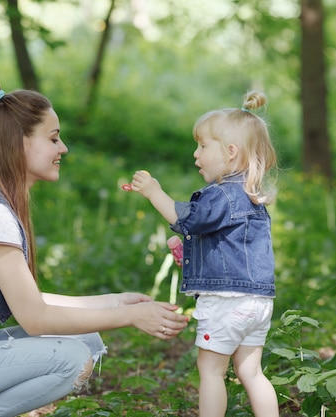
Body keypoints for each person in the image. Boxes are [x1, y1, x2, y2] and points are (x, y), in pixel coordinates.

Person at [0, 79, 189, 417]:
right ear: (20, 142)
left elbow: (31, 302)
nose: (64, 148)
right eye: (54, 138)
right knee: (71, 358)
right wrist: (130, 317)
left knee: (87, 340)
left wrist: (118, 301)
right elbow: (35, 319)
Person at [128, 91, 279, 417]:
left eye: (202, 146)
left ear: (230, 152)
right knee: (251, 373)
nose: (195, 154)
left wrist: (155, 193)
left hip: (227, 303)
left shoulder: (221, 195)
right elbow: (229, 252)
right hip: (258, 303)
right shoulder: (252, 198)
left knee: (210, 371)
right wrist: (189, 254)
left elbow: (187, 219)